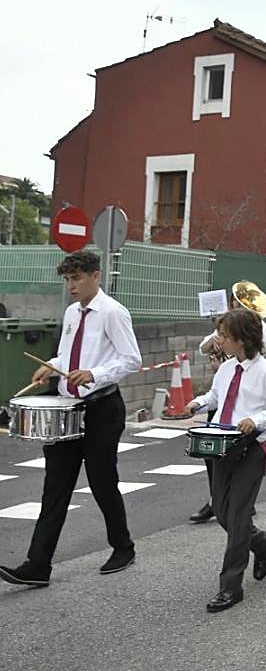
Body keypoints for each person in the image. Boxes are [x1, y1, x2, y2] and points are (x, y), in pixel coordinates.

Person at [0, 251, 142, 588]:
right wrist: (51, 366)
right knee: (55, 486)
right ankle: (38, 565)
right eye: (67, 280)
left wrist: (95, 373)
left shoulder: (113, 312)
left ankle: (123, 547)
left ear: (96, 276)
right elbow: (66, 354)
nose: (71, 286)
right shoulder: (71, 313)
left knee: (101, 481)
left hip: (102, 409)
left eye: (76, 278)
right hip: (67, 409)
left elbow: (131, 359)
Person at [183, 309, 266, 612]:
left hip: (251, 449)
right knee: (222, 512)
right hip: (222, 447)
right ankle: (260, 541)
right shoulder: (226, 368)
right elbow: (217, 396)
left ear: (242, 339)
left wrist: (257, 419)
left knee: (237, 516)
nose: (219, 340)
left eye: (224, 336)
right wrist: (198, 403)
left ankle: (230, 587)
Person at [189, 289, 266, 525]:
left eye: (239, 301)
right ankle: (218, 500)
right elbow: (203, 347)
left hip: (245, 400)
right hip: (224, 392)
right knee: (213, 452)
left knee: (241, 458)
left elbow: (259, 348)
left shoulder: (258, 328)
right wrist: (215, 342)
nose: (235, 304)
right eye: (234, 300)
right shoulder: (227, 327)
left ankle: (240, 501)